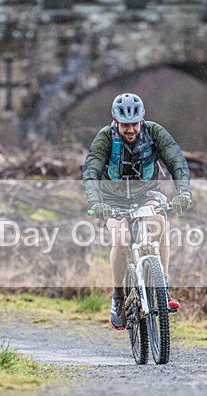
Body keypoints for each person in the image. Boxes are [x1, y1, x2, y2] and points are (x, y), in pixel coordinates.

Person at [82, 93, 192, 330]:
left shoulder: (154, 133)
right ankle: (118, 298)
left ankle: (161, 286)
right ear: (115, 122)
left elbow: (177, 162)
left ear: (142, 120)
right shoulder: (105, 138)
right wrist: (95, 202)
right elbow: (91, 172)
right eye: (125, 125)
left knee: (159, 222)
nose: (130, 130)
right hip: (112, 200)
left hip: (146, 194)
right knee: (122, 239)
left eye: (134, 124)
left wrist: (184, 192)